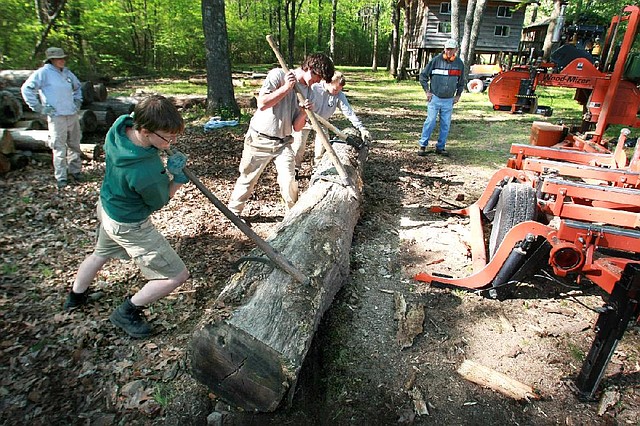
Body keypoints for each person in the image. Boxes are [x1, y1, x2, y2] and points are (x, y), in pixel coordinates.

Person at [63, 95, 191, 339]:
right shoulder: (146, 170)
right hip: (130, 225)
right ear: (143, 130)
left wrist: (162, 146)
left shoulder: (120, 126)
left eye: (175, 136)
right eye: (168, 137)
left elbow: (139, 128)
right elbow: (160, 200)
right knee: (176, 275)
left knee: (100, 253)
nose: (172, 141)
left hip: (109, 208)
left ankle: (75, 297)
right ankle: (127, 312)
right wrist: (176, 179)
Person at [227, 53, 334, 216]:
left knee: (290, 180)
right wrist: (286, 88)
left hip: (283, 143)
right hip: (259, 138)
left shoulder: (309, 92)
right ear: (310, 68)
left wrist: (304, 113)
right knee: (248, 179)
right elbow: (262, 103)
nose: (318, 82)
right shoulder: (278, 75)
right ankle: (233, 213)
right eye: (318, 77)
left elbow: (297, 128)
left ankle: (293, 217)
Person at [21, 47, 84, 188]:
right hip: (56, 117)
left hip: (72, 114)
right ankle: (61, 177)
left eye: (63, 58)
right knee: (59, 147)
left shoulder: (67, 73)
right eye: (58, 58)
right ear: (51, 60)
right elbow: (27, 89)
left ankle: (76, 171)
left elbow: (78, 87)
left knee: (75, 144)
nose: (62, 60)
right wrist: (39, 108)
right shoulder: (43, 73)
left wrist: (77, 102)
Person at [291, 71, 371, 171]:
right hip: (305, 120)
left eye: (339, 90)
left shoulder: (339, 95)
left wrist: (361, 128)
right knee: (298, 146)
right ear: (328, 82)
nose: (337, 92)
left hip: (322, 122)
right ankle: (295, 170)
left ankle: (318, 169)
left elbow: (348, 112)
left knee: (322, 147)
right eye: (335, 89)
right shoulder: (314, 87)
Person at [417, 38, 465, 157]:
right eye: (447, 49)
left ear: (456, 50)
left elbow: (461, 81)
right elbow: (423, 76)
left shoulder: (459, 64)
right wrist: (427, 92)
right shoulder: (435, 61)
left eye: (451, 50)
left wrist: (458, 95)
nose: (449, 52)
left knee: (445, 124)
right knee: (430, 121)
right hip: (435, 98)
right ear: (444, 49)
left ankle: (441, 147)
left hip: (449, 100)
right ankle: (423, 145)